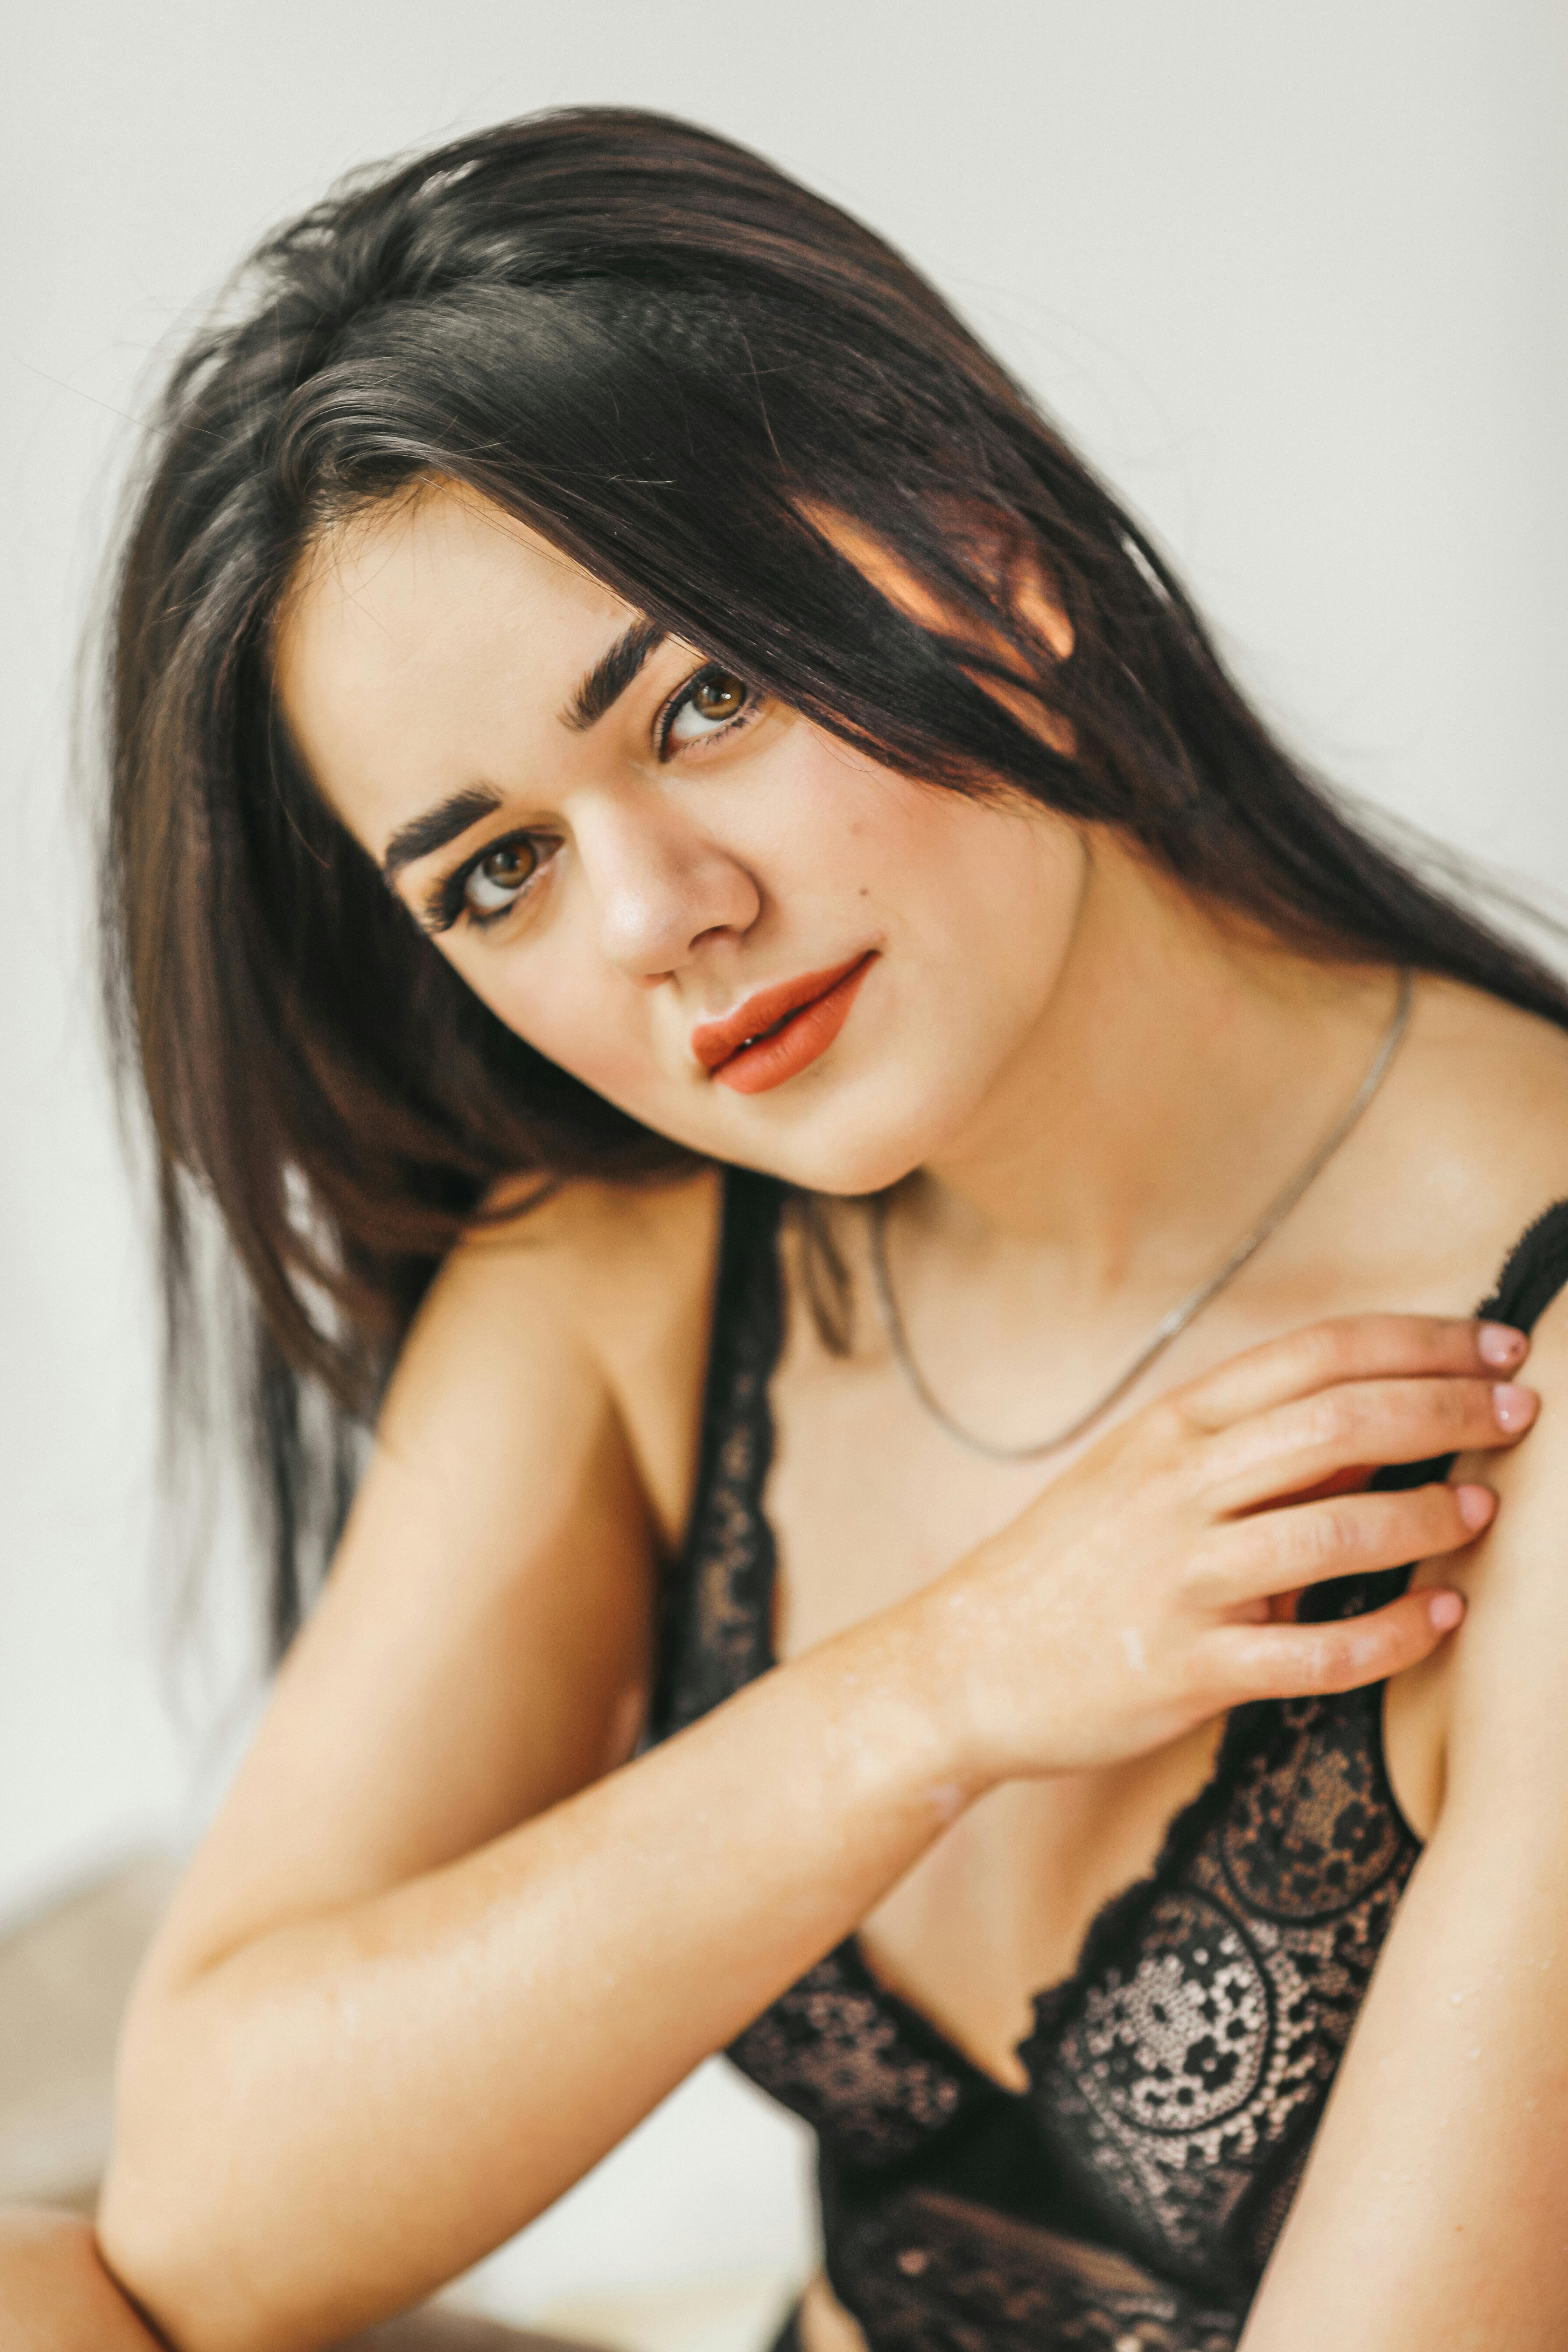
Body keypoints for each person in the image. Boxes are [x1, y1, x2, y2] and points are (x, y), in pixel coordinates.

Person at [20, 106, 1568, 2352]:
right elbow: (210, 2215)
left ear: (992, 553)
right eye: (499, 873)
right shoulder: (639, 1265)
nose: (661, 920)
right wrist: (935, 1692)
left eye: (706, 702)